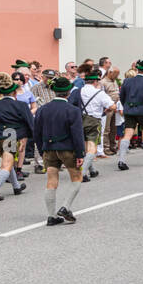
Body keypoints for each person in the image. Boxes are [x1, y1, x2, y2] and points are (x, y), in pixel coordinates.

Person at [32, 75, 85, 225]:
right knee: (76, 178)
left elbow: (37, 132)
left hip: (49, 148)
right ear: (68, 92)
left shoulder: (43, 109)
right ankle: (65, 207)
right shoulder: (73, 110)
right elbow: (77, 134)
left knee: (51, 181)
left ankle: (51, 215)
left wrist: (42, 149)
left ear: (54, 91)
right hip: (67, 148)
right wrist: (80, 153)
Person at [0, 73, 33, 201]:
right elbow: (29, 123)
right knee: (6, 165)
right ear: (14, 93)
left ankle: (16, 187)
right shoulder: (20, 105)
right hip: (11, 135)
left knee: (7, 161)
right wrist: (26, 138)